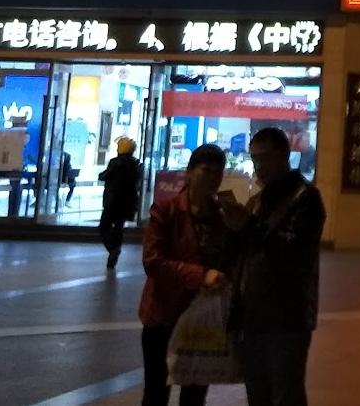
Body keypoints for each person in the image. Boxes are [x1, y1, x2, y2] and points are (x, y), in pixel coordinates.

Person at [223, 126, 327, 406]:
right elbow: (246, 252)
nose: (259, 167)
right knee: (258, 392)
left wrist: (247, 226)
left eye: (265, 158)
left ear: (284, 156)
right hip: (252, 314)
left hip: (287, 316)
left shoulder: (305, 198)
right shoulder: (259, 200)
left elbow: (290, 250)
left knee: (285, 392)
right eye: (255, 159)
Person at [139, 145, 232, 406]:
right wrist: (201, 275)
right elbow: (153, 262)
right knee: (157, 391)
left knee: (195, 394)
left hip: (204, 318)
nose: (213, 177)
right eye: (206, 170)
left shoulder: (223, 215)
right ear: (189, 173)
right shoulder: (166, 210)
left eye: (218, 172)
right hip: (163, 316)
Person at [99, 135, 145, 271]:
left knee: (104, 227)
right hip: (128, 203)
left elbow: (104, 176)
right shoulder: (137, 164)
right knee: (119, 228)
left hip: (113, 201)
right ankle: (115, 251)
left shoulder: (116, 162)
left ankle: (112, 248)